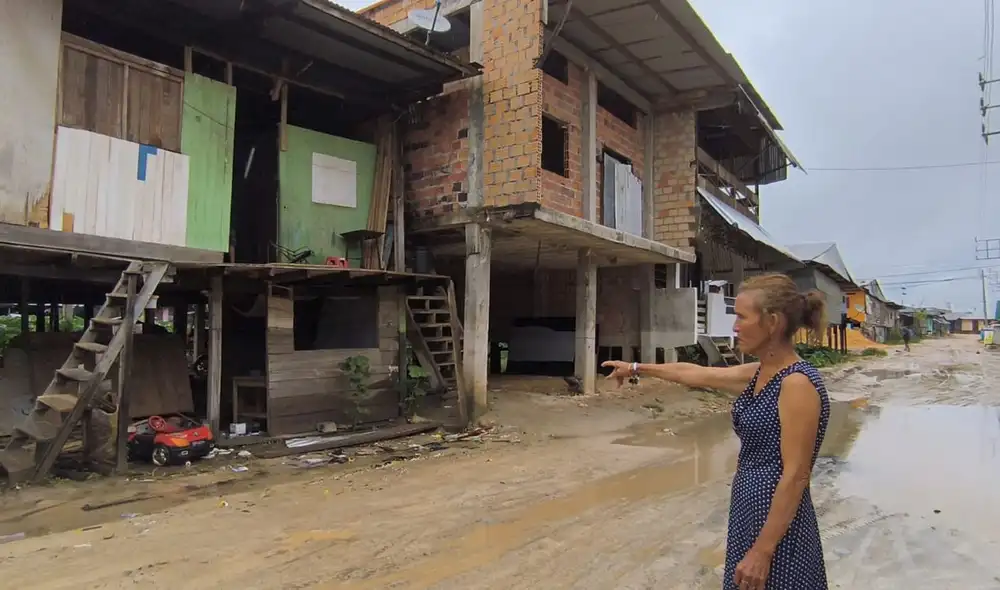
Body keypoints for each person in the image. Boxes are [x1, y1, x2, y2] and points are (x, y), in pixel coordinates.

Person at [603, 274, 830, 590]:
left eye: (741, 317)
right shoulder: (761, 373)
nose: (734, 327)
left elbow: (796, 474)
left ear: (773, 322)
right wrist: (637, 368)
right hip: (750, 513)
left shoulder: (796, 383)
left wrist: (763, 550)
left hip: (779, 528)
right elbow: (695, 373)